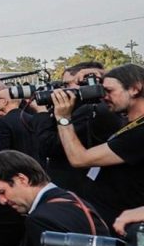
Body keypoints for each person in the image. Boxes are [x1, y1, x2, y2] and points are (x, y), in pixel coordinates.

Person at [53, 63, 144, 227]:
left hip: (123, 224)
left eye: (109, 91)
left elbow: (79, 159)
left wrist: (63, 118)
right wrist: (97, 72)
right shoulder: (133, 124)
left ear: (134, 89)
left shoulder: (139, 133)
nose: (103, 97)